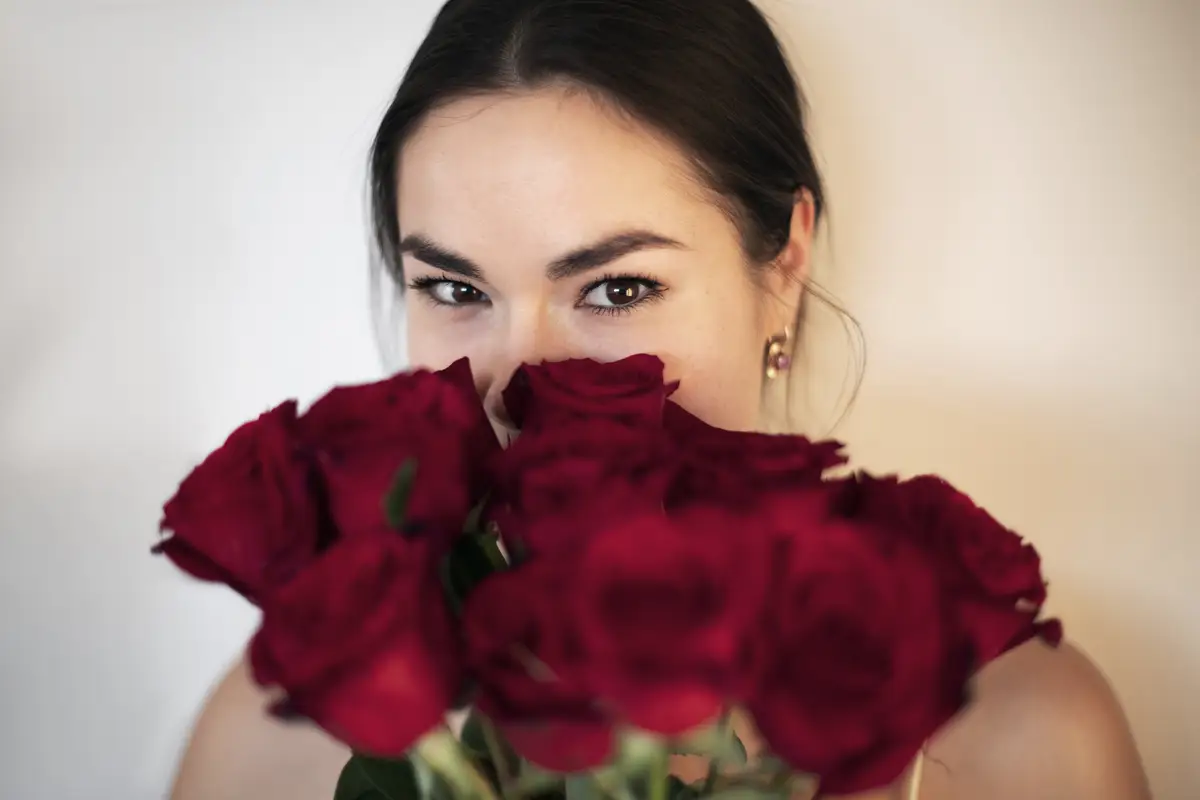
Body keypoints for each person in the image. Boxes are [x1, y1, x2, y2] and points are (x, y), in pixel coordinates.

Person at [169, 1, 1152, 798]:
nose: (519, 384)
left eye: (617, 287)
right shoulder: (274, 743)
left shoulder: (1026, 744)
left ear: (785, 263)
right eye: (458, 290)